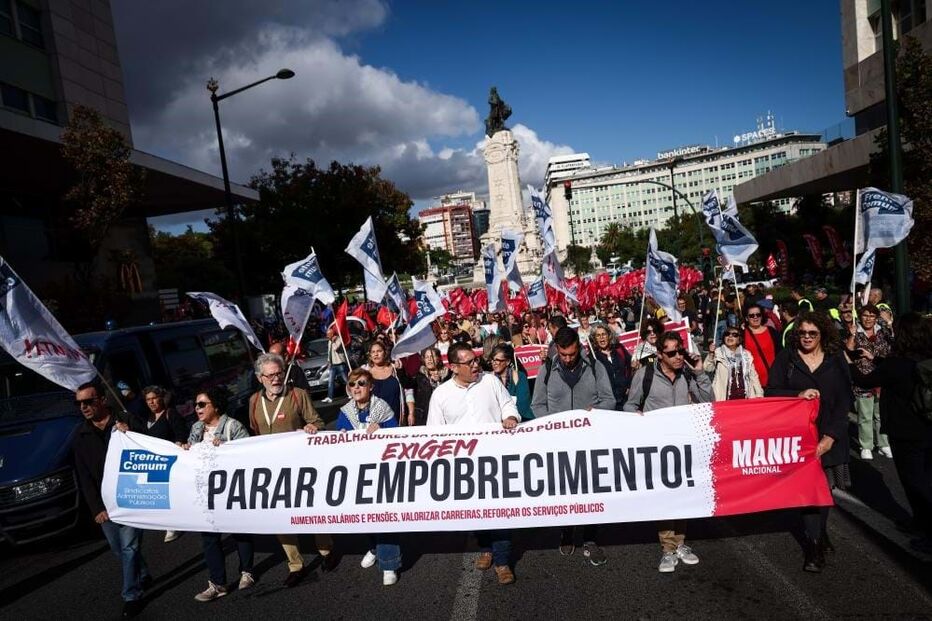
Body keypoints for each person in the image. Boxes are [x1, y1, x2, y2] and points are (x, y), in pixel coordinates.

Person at [765, 311, 852, 573]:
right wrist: (797, 394)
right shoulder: (787, 359)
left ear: (822, 334)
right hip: (798, 438)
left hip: (831, 435)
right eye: (802, 333)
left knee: (824, 491)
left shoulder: (836, 360)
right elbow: (771, 392)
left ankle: (819, 533)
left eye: (812, 333)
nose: (806, 337)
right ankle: (814, 547)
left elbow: (845, 400)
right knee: (808, 493)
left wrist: (830, 438)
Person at [427, 341, 520, 585]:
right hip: (464, 469)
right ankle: (486, 547)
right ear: (454, 367)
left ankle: (502, 561)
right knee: (477, 516)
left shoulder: (490, 381)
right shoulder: (441, 395)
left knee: (500, 513)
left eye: (476, 359)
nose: (476, 364)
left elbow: (508, 404)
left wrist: (509, 416)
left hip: (496, 462)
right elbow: (434, 434)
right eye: (469, 362)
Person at [624, 331, 712, 573]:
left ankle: (681, 543)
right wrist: (637, 416)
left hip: (685, 444)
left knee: (683, 495)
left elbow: (708, 401)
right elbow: (630, 405)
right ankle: (668, 549)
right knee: (665, 497)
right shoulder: (646, 374)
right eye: (671, 353)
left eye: (679, 351)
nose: (677, 357)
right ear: (660, 354)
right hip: (658, 447)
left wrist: (700, 372)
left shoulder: (687, 373)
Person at [531, 327, 615, 565]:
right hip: (558, 444)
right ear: (556, 349)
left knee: (589, 489)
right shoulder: (546, 369)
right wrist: (551, 425)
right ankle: (566, 530)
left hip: (589, 441)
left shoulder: (596, 367)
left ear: (579, 347)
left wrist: (595, 412)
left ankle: (589, 537)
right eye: (563, 354)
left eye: (572, 354)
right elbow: (538, 405)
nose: (568, 359)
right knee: (564, 490)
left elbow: (609, 399)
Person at [849, 313, 932, 552]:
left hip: (905, 432)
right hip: (927, 427)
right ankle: (919, 522)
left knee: (915, 483)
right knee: (926, 479)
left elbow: (865, 381)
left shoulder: (897, 364)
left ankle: (927, 531)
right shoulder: (923, 360)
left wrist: (847, 360)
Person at [248, 353, 333, 586]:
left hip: (300, 467)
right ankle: (295, 565)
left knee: (312, 512)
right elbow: (254, 434)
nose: (276, 379)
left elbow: (318, 422)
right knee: (280, 519)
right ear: (260, 378)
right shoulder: (254, 401)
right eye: (270, 375)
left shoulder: (298, 395)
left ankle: (326, 551)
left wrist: (311, 427)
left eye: (279, 373)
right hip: (272, 471)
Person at [72, 381, 150, 618]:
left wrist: (132, 434)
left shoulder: (125, 421)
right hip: (105, 506)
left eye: (88, 401)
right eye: (79, 403)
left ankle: (131, 595)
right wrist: (96, 509)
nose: (83, 407)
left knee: (128, 547)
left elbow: (152, 445)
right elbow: (84, 477)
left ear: (102, 400)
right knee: (119, 548)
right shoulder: (80, 436)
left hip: (130, 497)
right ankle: (143, 574)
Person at [185, 387, 255, 602]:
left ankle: (247, 572)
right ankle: (218, 583)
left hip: (230, 490)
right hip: (206, 492)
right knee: (209, 537)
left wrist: (226, 448)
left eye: (202, 404)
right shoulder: (196, 428)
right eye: (196, 404)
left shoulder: (233, 426)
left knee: (240, 532)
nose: (197, 408)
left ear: (215, 405)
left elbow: (248, 455)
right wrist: (187, 448)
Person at [335, 368, 402, 585]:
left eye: (361, 383)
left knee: (383, 517)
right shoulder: (345, 412)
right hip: (357, 472)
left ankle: (389, 563)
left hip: (382, 471)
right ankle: (374, 547)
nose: (356, 388)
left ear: (370, 386)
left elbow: (398, 437)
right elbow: (338, 440)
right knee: (365, 517)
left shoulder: (382, 408)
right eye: (352, 384)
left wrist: (382, 428)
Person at [135, 385, 188, 543]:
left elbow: (181, 434)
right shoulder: (149, 419)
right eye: (148, 400)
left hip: (172, 462)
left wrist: (178, 443)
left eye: (154, 398)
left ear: (161, 398)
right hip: (156, 464)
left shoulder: (170, 414)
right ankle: (171, 522)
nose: (151, 402)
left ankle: (176, 523)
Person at [846, 304, 894, 460]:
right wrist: (852, 335)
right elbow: (848, 351)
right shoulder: (856, 332)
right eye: (865, 315)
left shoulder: (883, 331)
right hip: (863, 378)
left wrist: (890, 324)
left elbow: (894, 344)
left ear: (876, 318)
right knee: (865, 415)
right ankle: (866, 445)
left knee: (881, 414)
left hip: (882, 377)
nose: (868, 319)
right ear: (860, 317)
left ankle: (883, 444)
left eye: (872, 316)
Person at [364, 340, 415, 426]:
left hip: (395, 419)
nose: (376, 354)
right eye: (373, 352)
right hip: (372, 422)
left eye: (379, 351)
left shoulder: (396, 368)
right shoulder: (365, 371)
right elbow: (353, 393)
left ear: (385, 353)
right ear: (370, 355)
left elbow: (408, 390)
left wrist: (411, 413)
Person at [704, 328, 764, 401]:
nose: (730, 337)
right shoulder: (717, 352)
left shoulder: (746, 354)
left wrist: (759, 395)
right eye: (727, 334)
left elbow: (753, 376)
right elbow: (707, 368)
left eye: (734, 335)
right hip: (724, 398)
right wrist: (711, 353)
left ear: (739, 339)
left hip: (745, 398)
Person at [590, 324, 633, 410]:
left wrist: (629, 385)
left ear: (609, 336)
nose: (601, 337)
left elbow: (630, 368)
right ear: (594, 339)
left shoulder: (619, 349)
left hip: (625, 399)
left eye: (604, 334)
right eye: (598, 335)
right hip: (607, 403)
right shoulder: (592, 357)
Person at [743, 302, 783, 389]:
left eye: (758, 314)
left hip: (772, 380)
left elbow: (781, 354)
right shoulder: (741, 335)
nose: (755, 317)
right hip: (751, 382)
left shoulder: (772, 332)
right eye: (751, 315)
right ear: (746, 318)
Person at [489, 343, 533, 420]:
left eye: (498, 360)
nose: (494, 363)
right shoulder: (489, 379)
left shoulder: (519, 376)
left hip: (521, 420)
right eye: (492, 359)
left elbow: (523, 404)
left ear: (508, 361)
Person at [412, 346, 450, 426]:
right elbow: (407, 384)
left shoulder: (448, 375)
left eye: (432, 356)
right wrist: (400, 370)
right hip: (423, 418)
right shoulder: (419, 376)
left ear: (439, 358)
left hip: (444, 416)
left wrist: (439, 381)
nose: (429, 359)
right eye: (427, 357)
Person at [322, 328, 349, 404]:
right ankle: (330, 397)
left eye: (328, 334)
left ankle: (352, 393)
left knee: (346, 380)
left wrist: (333, 341)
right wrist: (328, 361)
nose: (327, 336)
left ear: (332, 334)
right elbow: (329, 352)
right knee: (330, 381)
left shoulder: (339, 339)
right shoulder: (329, 341)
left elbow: (335, 348)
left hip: (340, 363)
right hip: (333, 364)